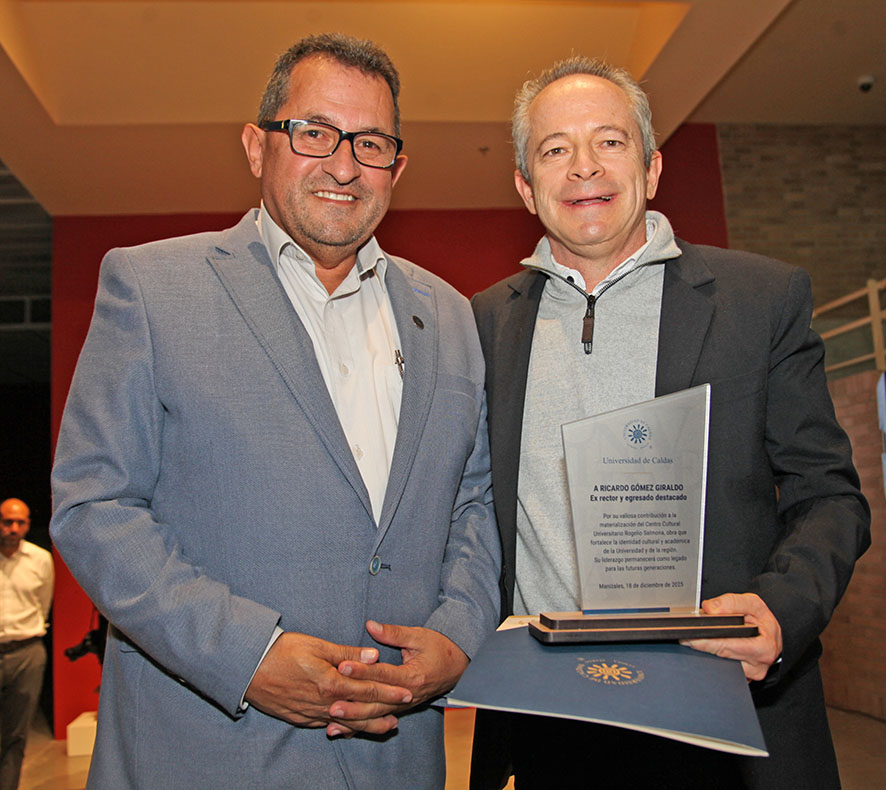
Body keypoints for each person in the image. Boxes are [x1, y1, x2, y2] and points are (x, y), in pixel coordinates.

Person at [50, 33, 500, 789]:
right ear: (258, 147)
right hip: (207, 752)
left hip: (398, 756)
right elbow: (95, 506)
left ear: (399, 167)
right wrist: (248, 656)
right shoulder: (153, 288)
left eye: (372, 143)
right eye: (315, 133)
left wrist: (458, 637)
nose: (344, 164)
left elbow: (474, 503)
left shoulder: (451, 315)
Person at [469, 55, 870, 789]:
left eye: (610, 142)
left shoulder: (761, 299)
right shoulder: (483, 323)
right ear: (526, 187)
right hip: (552, 724)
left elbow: (831, 496)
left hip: (724, 715)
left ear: (652, 168)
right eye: (555, 149)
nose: (583, 166)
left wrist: (780, 610)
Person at [0, 498, 54, 790]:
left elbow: (43, 604)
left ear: (28, 525)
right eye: (7, 521)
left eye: (20, 522)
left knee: (16, 734)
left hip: (26, 652)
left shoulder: (40, 560)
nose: (13, 528)